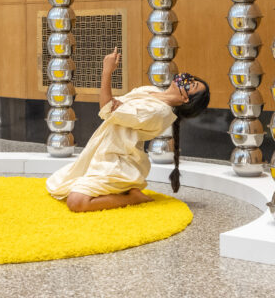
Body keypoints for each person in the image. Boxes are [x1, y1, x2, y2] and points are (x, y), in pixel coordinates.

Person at [46, 47, 210, 213]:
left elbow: (107, 108)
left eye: (192, 84)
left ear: (186, 99)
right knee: (59, 183)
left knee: (76, 202)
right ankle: (121, 189)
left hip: (120, 162)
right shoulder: (149, 91)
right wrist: (113, 107)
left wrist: (107, 71)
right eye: (191, 79)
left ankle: (132, 197)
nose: (187, 79)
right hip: (105, 150)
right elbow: (113, 105)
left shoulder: (159, 112)